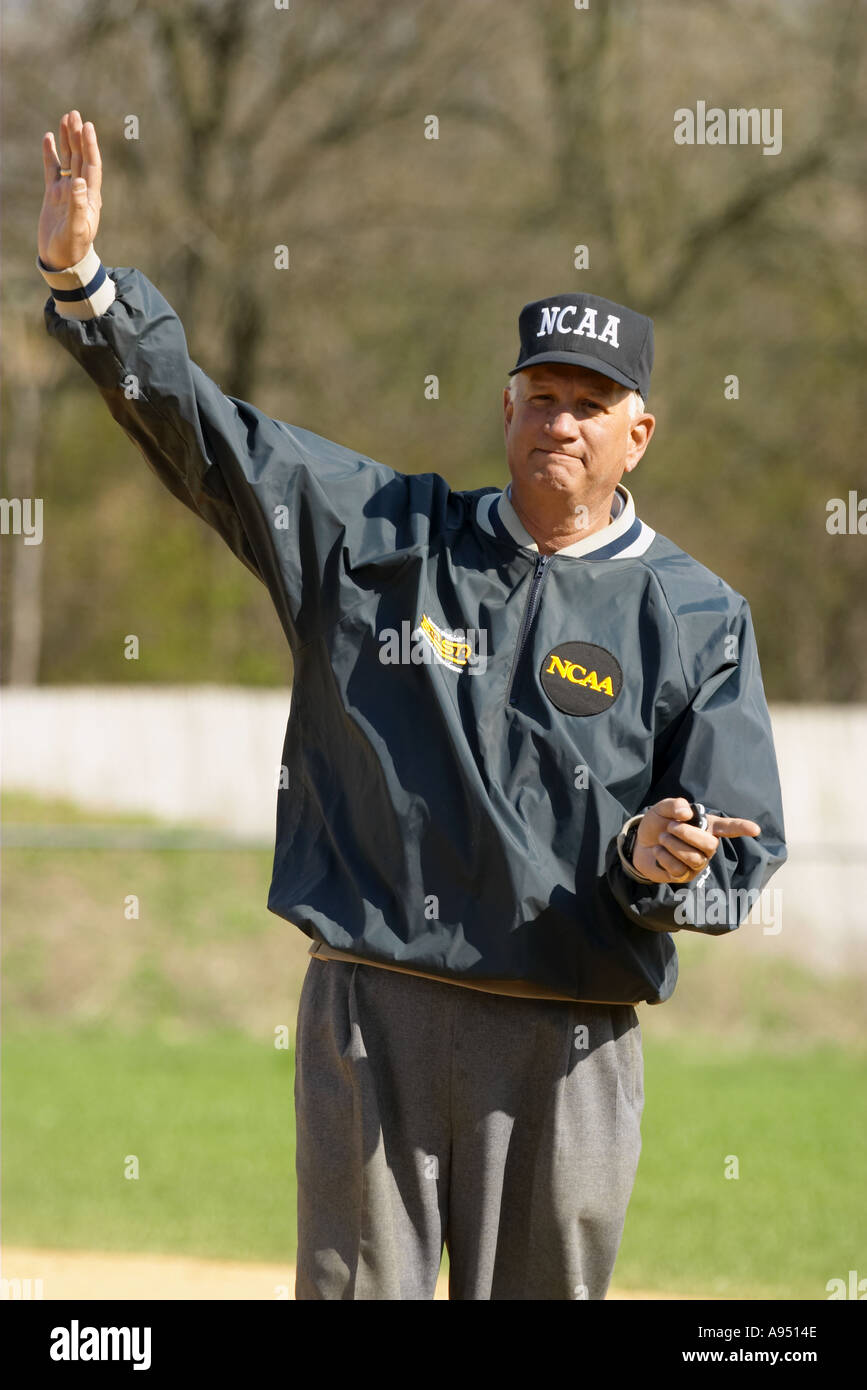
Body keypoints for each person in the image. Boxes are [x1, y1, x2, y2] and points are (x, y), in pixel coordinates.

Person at [37, 110, 786, 1301]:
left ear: (637, 435)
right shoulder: (383, 536)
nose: (561, 422)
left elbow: (740, 855)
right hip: (370, 1013)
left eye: (591, 405)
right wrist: (86, 288)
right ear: (505, 408)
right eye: (541, 395)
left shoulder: (699, 616)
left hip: (568, 1036)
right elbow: (213, 437)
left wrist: (661, 863)